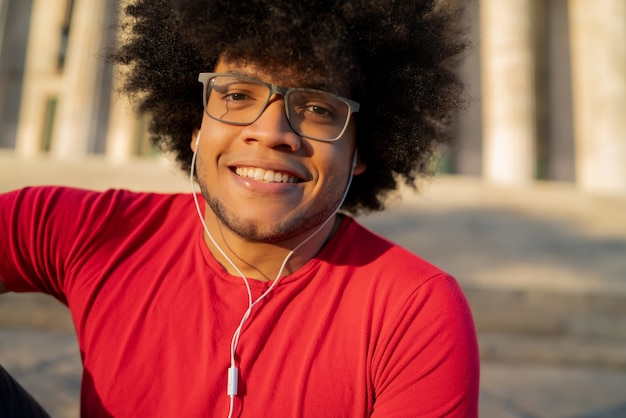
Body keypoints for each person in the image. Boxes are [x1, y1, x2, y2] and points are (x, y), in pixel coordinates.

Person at [0, 0, 479, 416]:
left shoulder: (416, 310)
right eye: (235, 95)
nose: (271, 133)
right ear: (194, 124)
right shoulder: (89, 231)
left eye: (317, 108)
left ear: (361, 151)